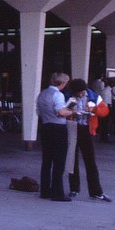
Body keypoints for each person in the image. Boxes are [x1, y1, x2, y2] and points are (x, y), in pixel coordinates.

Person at [64, 78, 111, 202]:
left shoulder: (93, 97)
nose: (80, 95)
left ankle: (96, 191)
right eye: (77, 93)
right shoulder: (69, 97)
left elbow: (105, 111)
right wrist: (71, 112)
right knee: (72, 160)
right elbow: (65, 111)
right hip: (73, 128)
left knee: (90, 161)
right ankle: (74, 189)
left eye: (81, 92)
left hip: (87, 129)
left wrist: (94, 110)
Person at [36, 72, 75, 201]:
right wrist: (72, 111)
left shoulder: (42, 94)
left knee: (46, 160)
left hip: (46, 127)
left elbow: (38, 111)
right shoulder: (58, 95)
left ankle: (45, 190)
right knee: (59, 162)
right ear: (62, 83)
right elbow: (61, 111)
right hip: (58, 128)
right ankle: (57, 193)